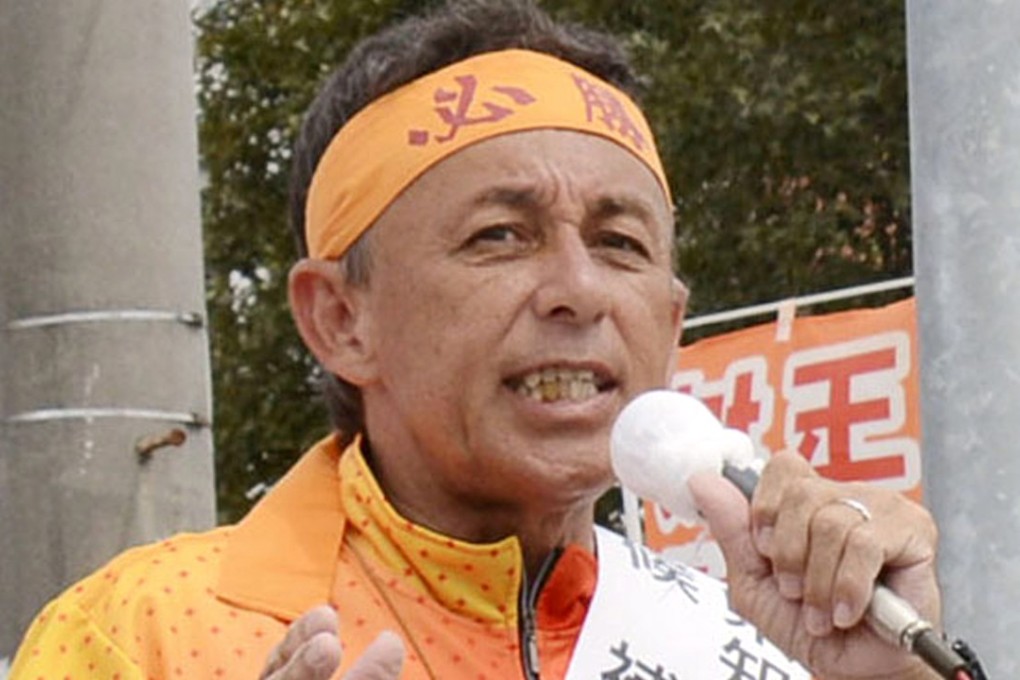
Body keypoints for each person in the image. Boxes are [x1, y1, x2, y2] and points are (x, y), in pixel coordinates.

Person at [10, 1, 943, 679]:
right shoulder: (139, 633)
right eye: (500, 235)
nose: (578, 291)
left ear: (669, 324)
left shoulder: (770, 644)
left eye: (620, 244)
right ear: (341, 318)